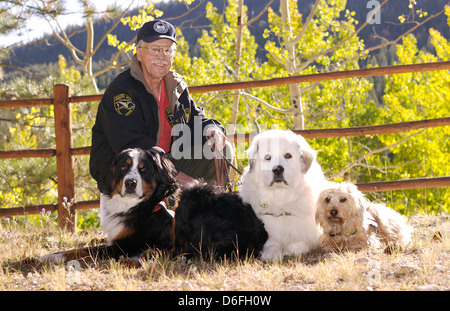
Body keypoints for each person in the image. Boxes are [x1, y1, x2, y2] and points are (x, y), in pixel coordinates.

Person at [89, 19, 228, 195]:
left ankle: (211, 212)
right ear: (139, 53)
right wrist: (177, 176)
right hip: (128, 171)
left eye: (167, 50)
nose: (161, 56)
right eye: (154, 49)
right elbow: (132, 146)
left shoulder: (175, 85)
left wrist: (212, 128)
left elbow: (194, 118)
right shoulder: (122, 92)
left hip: (167, 163)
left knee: (219, 148)